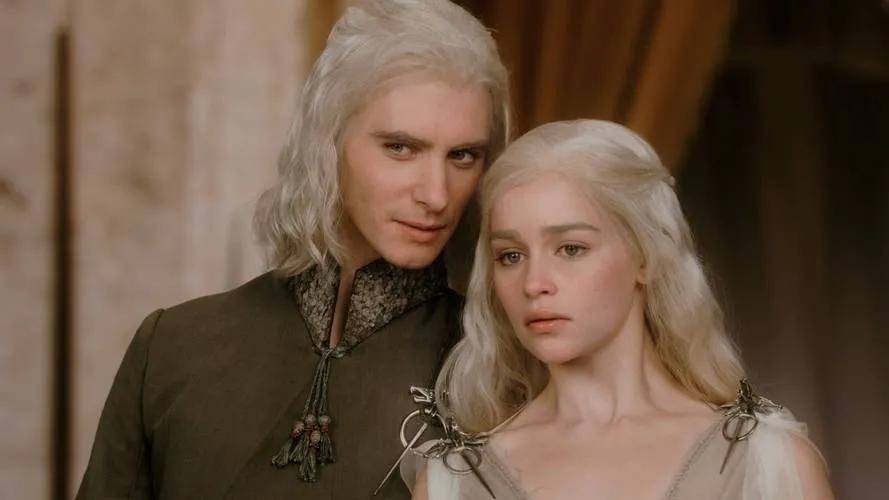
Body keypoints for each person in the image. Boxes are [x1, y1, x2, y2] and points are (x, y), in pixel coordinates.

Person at [76, 0, 510, 498]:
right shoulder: (172, 347)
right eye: (400, 148)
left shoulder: (502, 369)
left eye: (463, 155)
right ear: (328, 141)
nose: (436, 194)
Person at [400, 120, 833, 499]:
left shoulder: (766, 461)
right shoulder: (454, 482)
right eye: (510, 256)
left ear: (645, 256)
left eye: (571, 248)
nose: (534, 284)